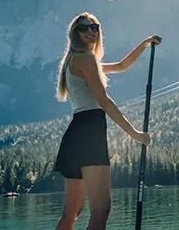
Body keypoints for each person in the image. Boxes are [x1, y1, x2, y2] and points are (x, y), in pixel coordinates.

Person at [53, 12, 162, 230]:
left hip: (76, 135)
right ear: (75, 33)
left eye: (95, 26)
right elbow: (104, 101)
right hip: (90, 133)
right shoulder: (84, 59)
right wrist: (135, 134)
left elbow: (122, 66)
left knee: (71, 213)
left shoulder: (78, 60)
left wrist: (144, 44)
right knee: (100, 210)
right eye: (84, 28)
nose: (91, 31)